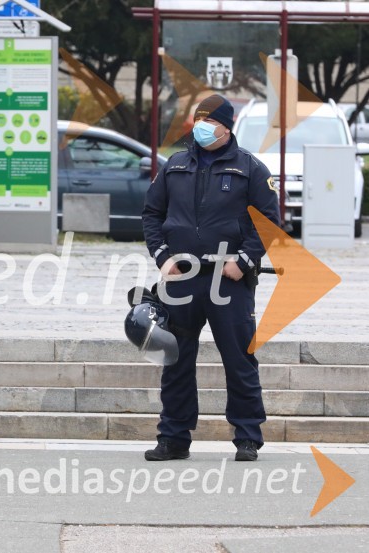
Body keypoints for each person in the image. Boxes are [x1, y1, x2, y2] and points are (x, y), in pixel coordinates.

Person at [142, 94, 280, 462]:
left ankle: (247, 436)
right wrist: (162, 257)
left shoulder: (250, 167)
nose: (201, 127)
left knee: (239, 360)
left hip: (228, 280)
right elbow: (152, 214)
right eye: (198, 120)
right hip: (182, 279)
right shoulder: (175, 165)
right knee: (174, 361)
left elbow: (268, 223)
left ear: (225, 126)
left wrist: (246, 260)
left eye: (209, 121)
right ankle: (173, 437)